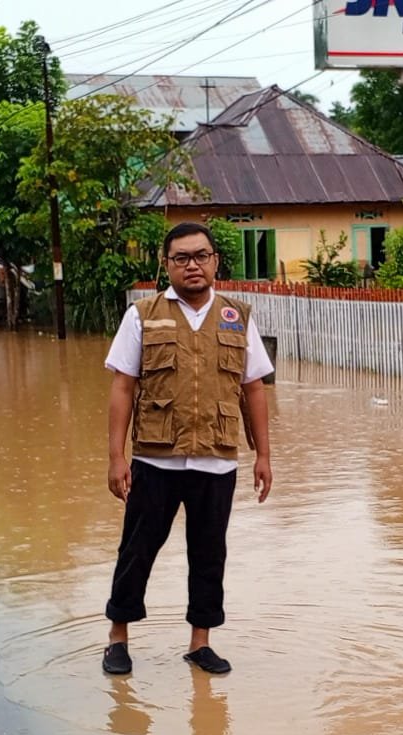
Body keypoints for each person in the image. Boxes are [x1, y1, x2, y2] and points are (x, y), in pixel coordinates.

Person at [102, 222, 273, 676]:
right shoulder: (142, 315)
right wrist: (117, 457)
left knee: (209, 554)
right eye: (181, 258)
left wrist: (263, 455)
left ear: (215, 261)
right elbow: (123, 387)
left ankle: (200, 644)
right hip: (154, 460)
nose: (192, 265)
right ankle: (118, 638)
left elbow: (254, 389)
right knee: (137, 550)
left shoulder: (238, 316)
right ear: (166, 265)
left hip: (216, 461)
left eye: (201, 256)